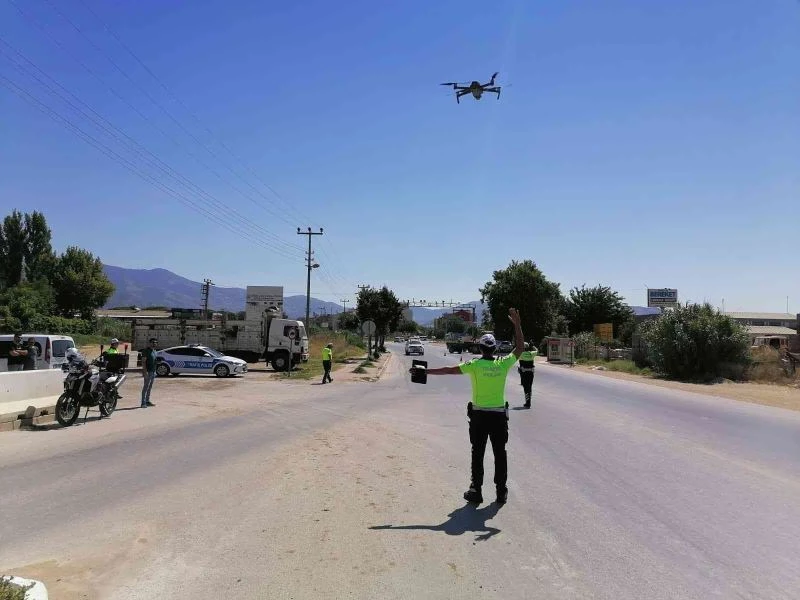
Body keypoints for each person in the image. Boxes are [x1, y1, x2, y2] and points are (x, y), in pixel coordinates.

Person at [415, 308, 524, 505]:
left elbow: (449, 370)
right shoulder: (503, 364)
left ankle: (476, 490)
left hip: (479, 417)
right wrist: (517, 325)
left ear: (481, 349)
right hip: (499, 416)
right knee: (500, 453)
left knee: (478, 453)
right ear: (495, 348)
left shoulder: (474, 365)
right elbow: (519, 349)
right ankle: (501, 492)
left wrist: (425, 370)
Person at [518, 343, 537, 408]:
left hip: (524, 373)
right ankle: (529, 401)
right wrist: (533, 346)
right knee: (529, 387)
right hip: (531, 373)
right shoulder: (532, 353)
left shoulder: (521, 354)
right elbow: (537, 350)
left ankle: (528, 402)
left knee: (526, 388)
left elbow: (514, 352)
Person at [140, 338, 158, 408]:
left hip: (153, 371)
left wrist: (155, 371)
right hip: (148, 371)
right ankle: (143, 402)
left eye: (156, 342)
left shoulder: (155, 351)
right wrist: (145, 372)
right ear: (150, 343)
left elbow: (154, 361)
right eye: (153, 342)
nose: (154, 343)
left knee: (150, 387)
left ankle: (147, 401)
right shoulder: (146, 351)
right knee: (146, 387)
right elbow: (143, 362)